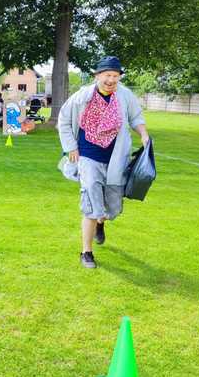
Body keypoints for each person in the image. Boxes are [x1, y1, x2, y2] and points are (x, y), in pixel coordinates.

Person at [57, 56, 149, 269]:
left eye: (115, 76)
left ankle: (101, 222)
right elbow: (63, 119)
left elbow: (136, 117)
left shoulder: (124, 95)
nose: (111, 80)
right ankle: (86, 252)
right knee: (90, 201)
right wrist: (71, 147)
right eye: (107, 75)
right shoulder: (83, 96)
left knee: (111, 206)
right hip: (88, 156)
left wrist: (144, 134)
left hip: (116, 158)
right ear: (97, 75)